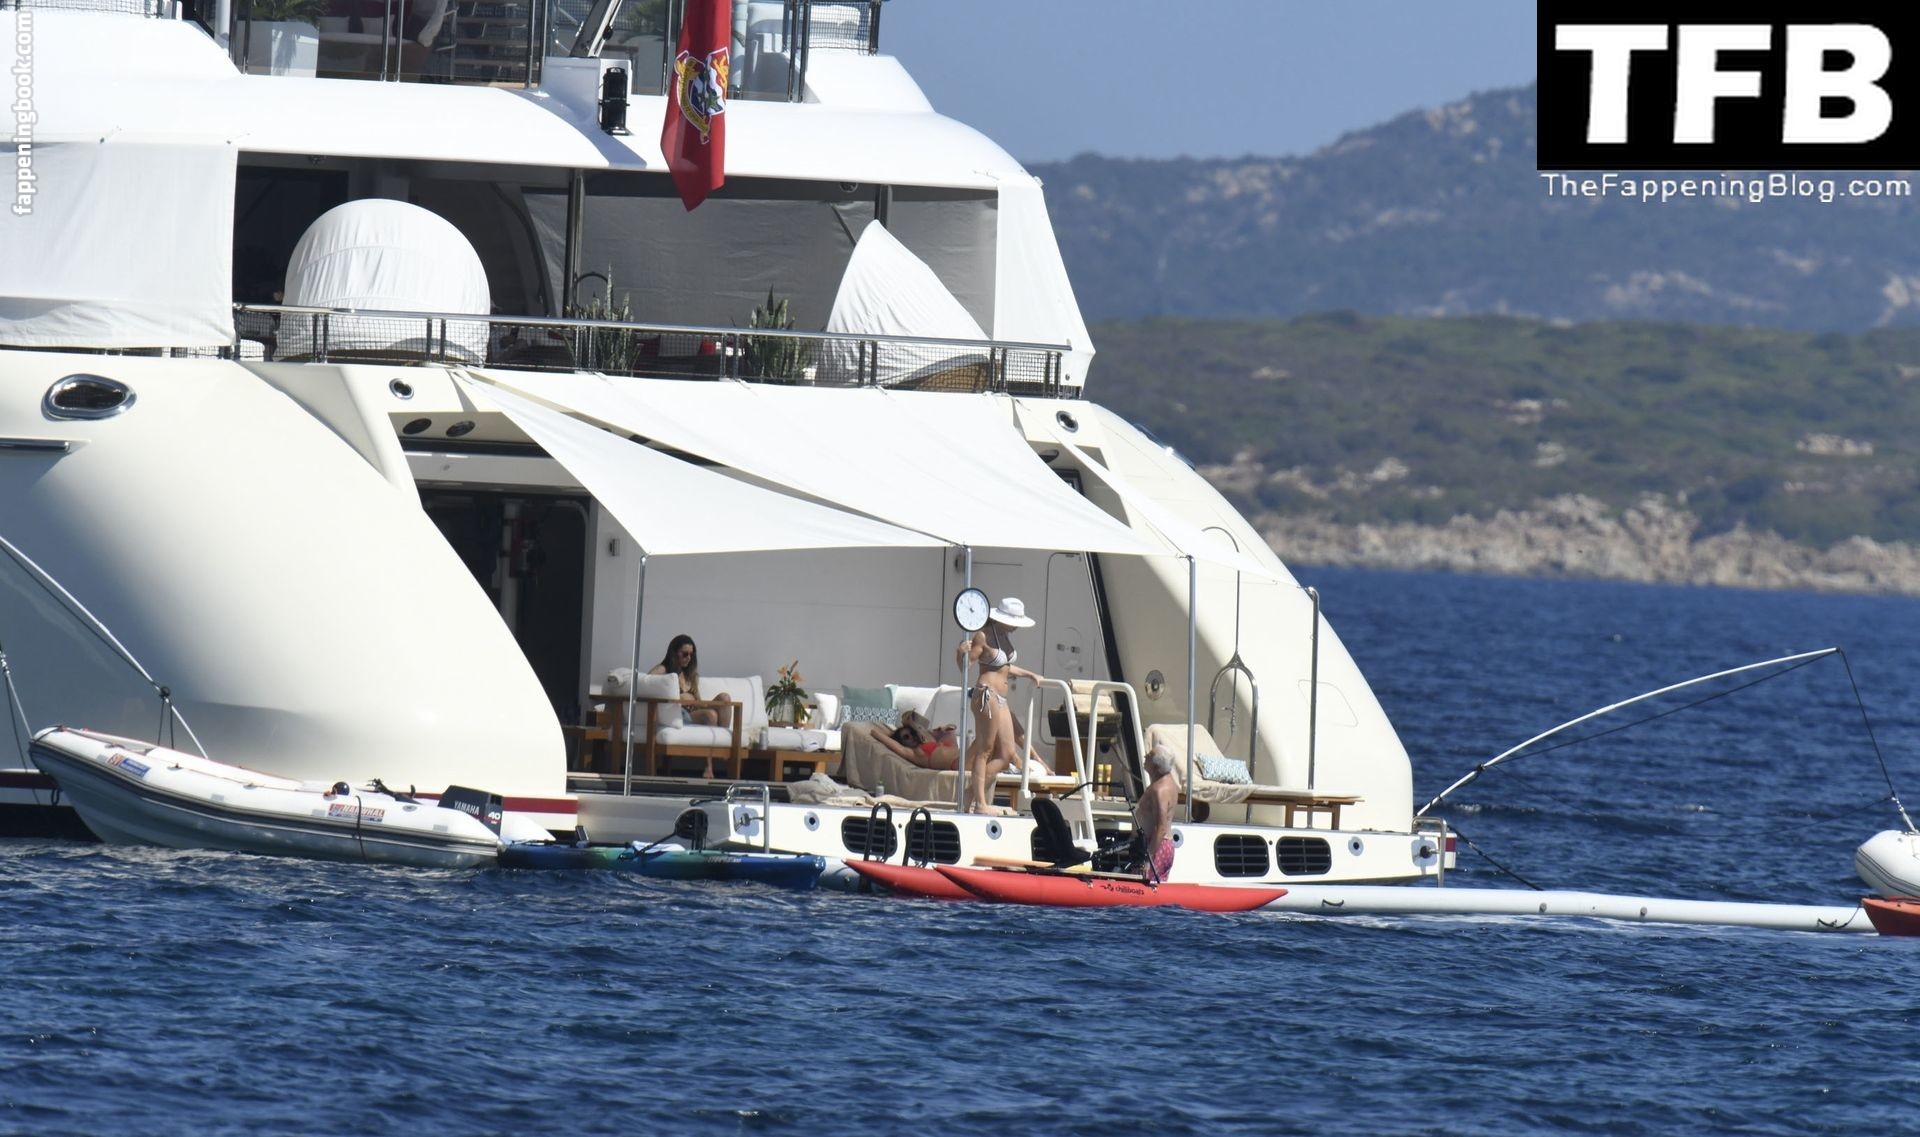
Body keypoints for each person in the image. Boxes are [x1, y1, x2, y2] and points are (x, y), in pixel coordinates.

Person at [954, 596, 1044, 813]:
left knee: (1006, 755)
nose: (1016, 627)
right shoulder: (983, 635)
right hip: (987, 694)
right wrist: (960, 652)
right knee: (985, 749)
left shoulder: (1003, 636)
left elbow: (1005, 667)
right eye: (1014, 622)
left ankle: (970, 794)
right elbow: (966, 666)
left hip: (1001, 698)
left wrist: (1029, 674)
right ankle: (980, 804)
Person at [649, 633, 734, 778]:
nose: (688, 658)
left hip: (694, 710)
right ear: (674, 653)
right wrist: (678, 697)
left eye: (691, 655)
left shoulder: (691, 675)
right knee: (711, 715)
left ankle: (723, 743)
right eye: (685, 654)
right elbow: (646, 681)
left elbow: (698, 701)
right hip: (678, 713)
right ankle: (709, 766)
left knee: (724, 698)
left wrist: (697, 701)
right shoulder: (664, 669)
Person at [1132, 743, 1179, 883]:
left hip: (1155, 846)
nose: (1145, 756)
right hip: (1160, 845)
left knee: (1145, 887)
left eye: (1150, 755)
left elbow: (1161, 827)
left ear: (1156, 767)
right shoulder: (1169, 783)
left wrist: (1148, 858)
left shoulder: (1160, 790)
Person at [868, 709, 962, 770]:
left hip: (961, 755)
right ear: (901, 742)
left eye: (912, 733)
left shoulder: (927, 740)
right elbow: (875, 732)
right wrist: (894, 733)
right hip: (956, 763)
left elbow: (950, 729)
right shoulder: (912, 753)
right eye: (906, 737)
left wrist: (911, 724)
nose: (911, 737)